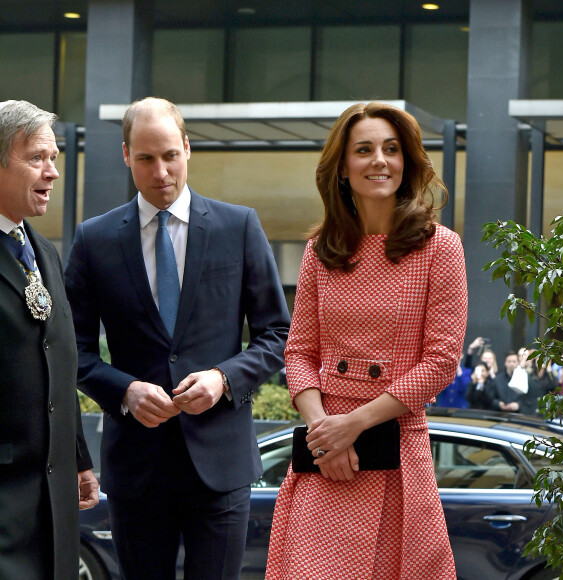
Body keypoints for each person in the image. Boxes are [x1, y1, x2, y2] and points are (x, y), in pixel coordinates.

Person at [64, 97, 290, 580]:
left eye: (170, 155)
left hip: (220, 464)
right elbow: (70, 351)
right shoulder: (94, 239)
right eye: (146, 158)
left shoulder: (239, 226)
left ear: (187, 149)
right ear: (126, 156)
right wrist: (123, 389)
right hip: (136, 466)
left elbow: (278, 333)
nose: (161, 171)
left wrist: (223, 379)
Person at [265, 102, 468, 579]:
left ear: (407, 161)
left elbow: (440, 361)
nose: (380, 160)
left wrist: (351, 425)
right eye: (365, 149)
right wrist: (324, 434)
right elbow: (299, 352)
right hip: (327, 454)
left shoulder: (441, 247)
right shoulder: (320, 250)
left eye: (391, 149)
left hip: (394, 448)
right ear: (342, 167)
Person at [0, 100, 98, 579]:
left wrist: (78, 457)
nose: (52, 172)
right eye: (37, 158)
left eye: (55, 158)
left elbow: (61, 363)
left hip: (53, 507)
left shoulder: (46, 252)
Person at [487, 350, 540, 415]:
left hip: (519, 415)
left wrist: (519, 405)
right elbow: (491, 397)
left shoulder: (525, 377)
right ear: (505, 363)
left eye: (514, 361)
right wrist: (498, 403)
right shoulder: (497, 379)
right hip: (500, 415)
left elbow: (531, 397)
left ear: (518, 363)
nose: (511, 364)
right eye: (509, 361)